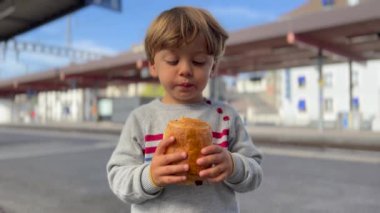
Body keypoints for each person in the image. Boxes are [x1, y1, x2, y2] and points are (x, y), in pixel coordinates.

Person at [107, 6, 263, 213]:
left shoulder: (226, 117)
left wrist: (234, 166)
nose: (186, 70)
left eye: (198, 62)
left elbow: (255, 173)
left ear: (213, 67)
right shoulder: (141, 119)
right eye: (172, 61)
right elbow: (118, 178)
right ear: (153, 65)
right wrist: (150, 176)